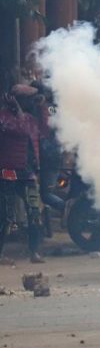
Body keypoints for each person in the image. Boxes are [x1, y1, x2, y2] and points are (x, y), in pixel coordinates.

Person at [0, 85, 46, 264]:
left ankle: (34, 252)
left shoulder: (30, 118)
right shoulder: (4, 118)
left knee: (35, 213)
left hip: (28, 174)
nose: (31, 102)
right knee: (6, 217)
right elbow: (21, 129)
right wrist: (18, 111)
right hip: (7, 173)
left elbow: (44, 130)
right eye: (27, 99)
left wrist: (43, 108)